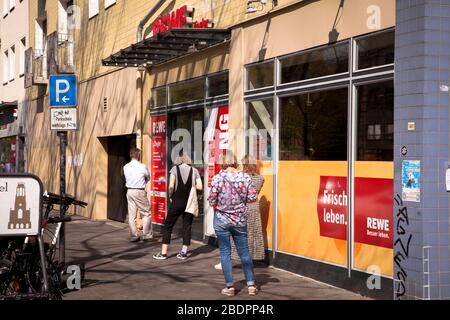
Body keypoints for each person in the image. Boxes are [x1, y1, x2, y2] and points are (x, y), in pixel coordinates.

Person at [208, 151, 258, 297]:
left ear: (223, 162)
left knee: (225, 252)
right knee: (244, 251)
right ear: (235, 161)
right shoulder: (245, 177)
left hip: (222, 220)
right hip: (240, 220)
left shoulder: (218, 178)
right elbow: (253, 198)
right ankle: (251, 285)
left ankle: (230, 287)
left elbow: (211, 201)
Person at [214, 155, 265, 270]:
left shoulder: (243, 177)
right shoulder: (260, 178)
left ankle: (226, 261)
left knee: (234, 235)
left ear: (245, 165)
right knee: (251, 234)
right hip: (254, 208)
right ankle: (248, 260)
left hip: (242, 207)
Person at [153, 154, 202, 260]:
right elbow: (200, 186)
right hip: (189, 202)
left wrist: (170, 196)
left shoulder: (174, 169)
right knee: (187, 225)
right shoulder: (194, 171)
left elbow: (171, 186)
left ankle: (163, 253)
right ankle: (183, 252)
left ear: (178, 161)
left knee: (168, 225)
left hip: (176, 202)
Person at [123, 148, 153, 242]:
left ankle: (134, 236)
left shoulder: (126, 167)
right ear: (138, 155)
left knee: (132, 215)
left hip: (129, 191)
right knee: (146, 213)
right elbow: (148, 177)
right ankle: (147, 235)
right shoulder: (142, 166)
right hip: (139, 191)